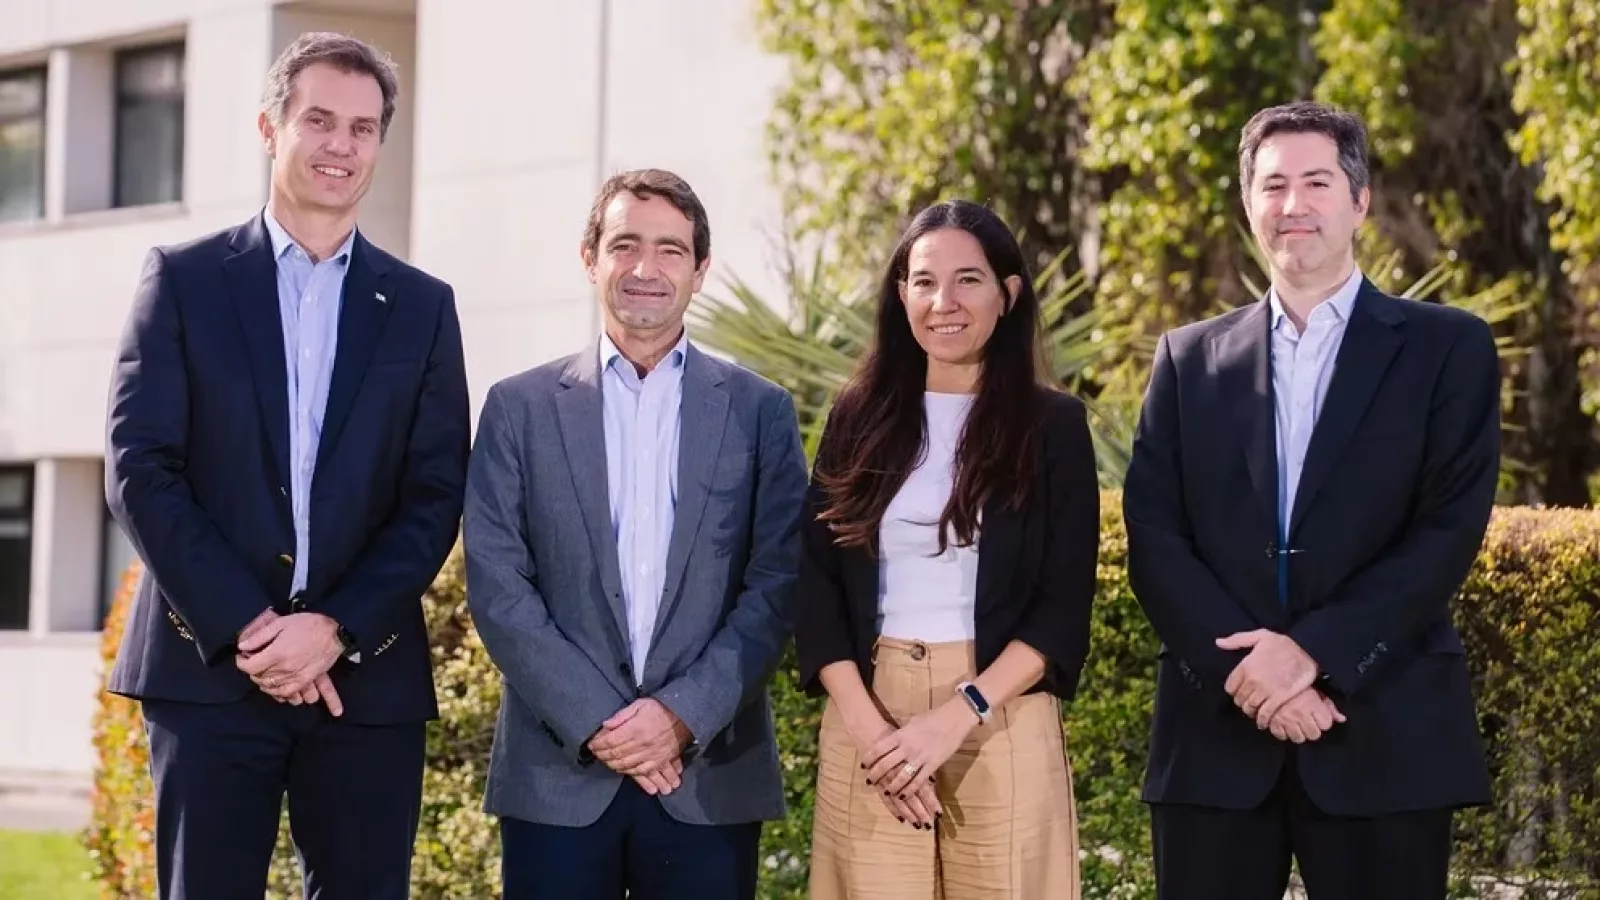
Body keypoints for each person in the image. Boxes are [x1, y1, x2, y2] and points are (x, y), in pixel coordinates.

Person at [103, 31, 470, 900]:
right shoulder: (184, 281)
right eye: (320, 120)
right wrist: (251, 627)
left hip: (365, 679)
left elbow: (433, 494)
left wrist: (334, 627)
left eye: (363, 128)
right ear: (270, 128)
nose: (342, 145)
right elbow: (140, 467)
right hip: (209, 671)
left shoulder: (422, 308)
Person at [1122, 100, 1501, 900]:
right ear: (1247, 203)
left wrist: (1314, 655)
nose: (1293, 204)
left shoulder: (1448, 347)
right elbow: (1154, 535)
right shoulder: (1187, 360)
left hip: (1383, 730)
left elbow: (1447, 530)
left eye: (1317, 182)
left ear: (1359, 201)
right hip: (1216, 742)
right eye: (1273, 185)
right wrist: (1251, 673)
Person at [462, 167, 808, 900]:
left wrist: (681, 716)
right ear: (590, 259)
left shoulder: (760, 413)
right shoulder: (519, 409)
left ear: (700, 270)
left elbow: (777, 583)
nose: (646, 268)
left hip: (707, 777)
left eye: (670, 249)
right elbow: (498, 585)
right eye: (625, 245)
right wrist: (599, 721)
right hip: (557, 779)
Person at [792, 199, 1099, 899]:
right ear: (901, 293)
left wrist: (956, 716)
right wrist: (875, 735)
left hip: (1002, 710)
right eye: (924, 281)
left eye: (968, 280)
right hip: (870, 715)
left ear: (1007, 293)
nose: (943, 303)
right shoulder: (857, 415)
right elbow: (815, 584)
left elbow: (1061, 605)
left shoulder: (1052, 425)